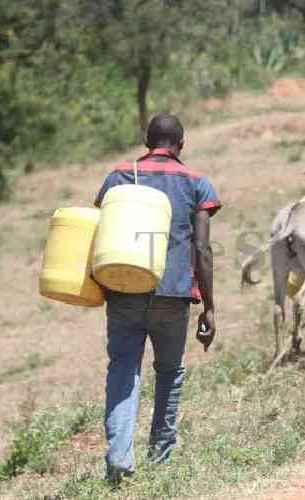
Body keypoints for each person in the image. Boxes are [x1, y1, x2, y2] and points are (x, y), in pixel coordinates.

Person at [93, 112, 220, 485]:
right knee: (169, 371)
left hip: (125, 290)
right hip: (173, 294)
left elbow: (100, 228)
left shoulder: (119, 175)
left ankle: (120, 457)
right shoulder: (197, 182)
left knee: (123, 369)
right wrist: (210, 307)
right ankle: (161, 458)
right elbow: (202, 248)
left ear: (146, 141)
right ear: (181, 144)